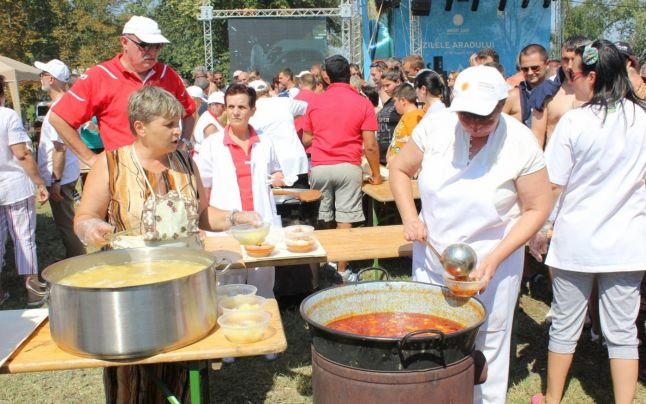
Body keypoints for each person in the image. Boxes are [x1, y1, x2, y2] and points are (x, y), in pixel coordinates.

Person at [74, 86, 260, 402]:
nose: (179, 130)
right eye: (169, 124)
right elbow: (84, 217)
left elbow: (202, 215)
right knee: (134, 378)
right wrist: (90, 227)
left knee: (184, 368)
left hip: (185, 287)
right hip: (131, 292)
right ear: (140, 127)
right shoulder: (110, 165)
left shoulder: (185, 162)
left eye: (178, 122)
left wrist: (235, 217)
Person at [389, 65, 552, 403]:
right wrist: (410, 217)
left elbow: (537, 207)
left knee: (486, 341)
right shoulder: (435, 127)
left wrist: (496, 257)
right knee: (429, 333)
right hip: (433, 255)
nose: (475, 127)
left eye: (485, 120)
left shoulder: (520, 142)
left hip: (494, 261)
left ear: (500, 107)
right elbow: (400, 170)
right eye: (467, 118)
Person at [530, 40, 646, 404]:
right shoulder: (642, 119)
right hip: (628, 243)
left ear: (592, 77)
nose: (569, 79)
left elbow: (553, 185)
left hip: (576, 243)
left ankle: (552, 398)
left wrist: (541, 229)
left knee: (564, 326)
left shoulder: (574, 122)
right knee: (623, 332)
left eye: (571, 73)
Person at [49, 15, 196, 168]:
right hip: (123, 173)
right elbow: (59, 118)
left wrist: (184, 143)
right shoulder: (100, 76)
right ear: (124, 42)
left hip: (166, 171)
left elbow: (190, 112)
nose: (152, 52)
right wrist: (92, 160)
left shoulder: (168, 74)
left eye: (157, 46)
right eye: (145, 45)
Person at [197, 84, 285, 298]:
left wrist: (279, 177)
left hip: (260, 226)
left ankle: (268, 325)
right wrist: (200, 224)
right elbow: (202, 189)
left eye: (241, 107)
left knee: (263, 286)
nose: (235, 112)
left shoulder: (265, 142)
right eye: (231, 106)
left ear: (252, 110)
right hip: (226, 227)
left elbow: (277, 170)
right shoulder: (212, 144)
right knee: (227, 287)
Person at [302, 55, 381, 280]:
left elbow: (307, 139)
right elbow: (371, 145)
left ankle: (321, 268)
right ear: (350, 73)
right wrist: (375, 174)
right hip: (349, 166)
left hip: (320, 166)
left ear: (326, 76)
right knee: (344, 219)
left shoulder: (315, 102)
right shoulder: (362, 102)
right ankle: (341, 269)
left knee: (323, 219)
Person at [0, 75, 49, 305]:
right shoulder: (7, 115)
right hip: (15, 186)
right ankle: (33, 292)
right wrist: (39, 182)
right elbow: (22, 153)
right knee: (24, 239)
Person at [34, 59, 85, 259]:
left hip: (61, 177)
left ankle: (78, 265)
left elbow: (59, 149)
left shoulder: (59, 108)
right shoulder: (67, 103)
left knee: (67, 226)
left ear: (52, 79)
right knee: (68, 223)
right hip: (67, 173)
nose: (41, 79)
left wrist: (55, 181)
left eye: (43, 75)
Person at [530, 36, 590, 148]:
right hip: (553, 163)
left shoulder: (601, 91)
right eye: (565, 60)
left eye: (574, 59)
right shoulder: (545, 92)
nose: (570, 66)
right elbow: (536, 139)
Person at [248, 80, 308, 181]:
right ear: (268, 90)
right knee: (301, 194)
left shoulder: (250, 111)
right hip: (296, 159)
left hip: (272, 165)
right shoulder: (285, 102)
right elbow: (307, 107)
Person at [503, 44, 549, 127]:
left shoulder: (556, 94)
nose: (530, 72)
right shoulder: (513, 96)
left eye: (535, 68)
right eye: (525, 69)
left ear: (547, 64)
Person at [386, 84, 424, 165]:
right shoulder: (406, 116)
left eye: (395, 101)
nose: (394, 105)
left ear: (403, 101)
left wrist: (397, 158)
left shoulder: (414, 115)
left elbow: (415, 144)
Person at [376, 68, 404, 164]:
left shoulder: (403, 102)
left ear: (398, 81)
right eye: (383, 86)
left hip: (396, 157)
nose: (385, 89)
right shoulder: (388, 103)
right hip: (381, 157)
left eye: (388, 85)